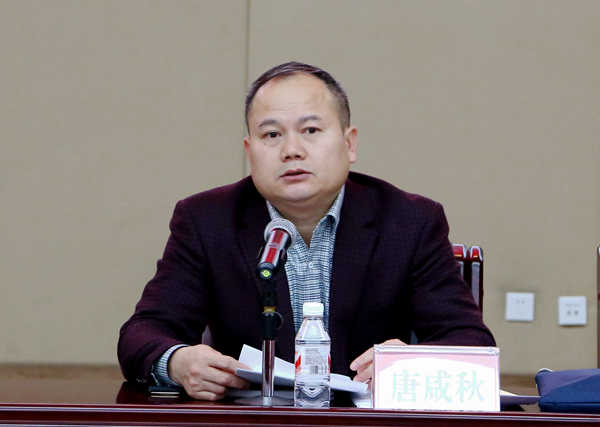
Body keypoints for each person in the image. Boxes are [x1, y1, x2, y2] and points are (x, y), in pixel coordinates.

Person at [118, 62, 495, 401]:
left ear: (349, 143)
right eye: (271, 135)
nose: (291, 150)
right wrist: (178, 362)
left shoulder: (409, 221)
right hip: (251, 425)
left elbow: (470, 342)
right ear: (250, 151)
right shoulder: (206, 220)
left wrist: (411, 363)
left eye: (311, 130)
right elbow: (142, 334)